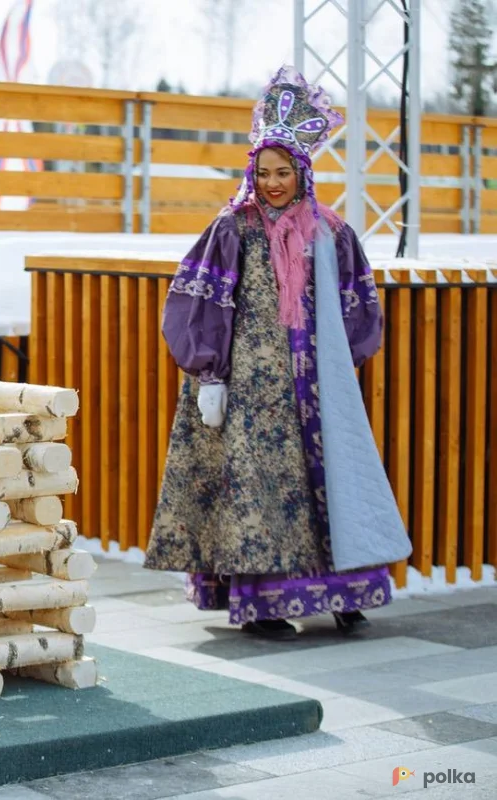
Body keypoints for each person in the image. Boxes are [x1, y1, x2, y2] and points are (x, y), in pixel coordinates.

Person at [144, 66, 412, 640]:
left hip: (317, 389)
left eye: (283, 172)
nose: (272, 183)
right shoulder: (231, 229)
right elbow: (201, 299)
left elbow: (356, 305)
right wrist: (209, 372)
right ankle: (264, 604)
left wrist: (343, 365)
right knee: (259, 492)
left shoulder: (331, 234)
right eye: (263, 172)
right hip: (251, 389)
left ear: (302, 172)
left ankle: (345, 592)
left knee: (332, 485)